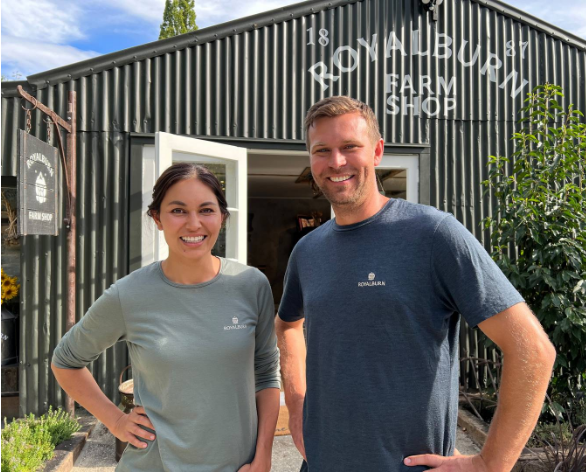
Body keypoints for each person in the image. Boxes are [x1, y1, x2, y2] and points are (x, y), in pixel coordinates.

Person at [276, 96, 556, 472]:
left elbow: (533, 351)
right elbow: (287, 326)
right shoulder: (308, 251)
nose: (336, 162)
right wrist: (296, 402)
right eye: (322, 150)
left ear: (376, 152)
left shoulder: (432, 235)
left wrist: (489, 464)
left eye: (350, 147)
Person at [52, 163, 280, 472]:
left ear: (222, 218)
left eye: (206, 210)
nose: (194, 223)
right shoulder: (128, 295)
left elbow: (266, 374)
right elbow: (65, 361)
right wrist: (117, 421)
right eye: (178, 210)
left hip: (237, 466)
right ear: (158, 218)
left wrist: (263, 455)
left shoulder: (251, 285)